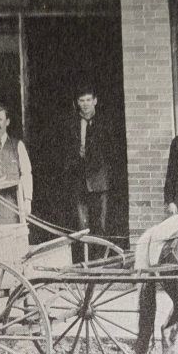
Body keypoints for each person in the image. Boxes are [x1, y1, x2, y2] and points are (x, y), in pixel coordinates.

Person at [65, 83, 109, 239]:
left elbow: (110, 151)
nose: (85, 104)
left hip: (99, 182)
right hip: (79, 180)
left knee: (100, 225)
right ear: (77, 102)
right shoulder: (71, 124)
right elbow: (65, 150)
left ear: (95, 101)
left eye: (89, 100)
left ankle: (101, 255)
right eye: (82, 100)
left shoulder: (104, 122)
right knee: (81, 227)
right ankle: (85, 254)